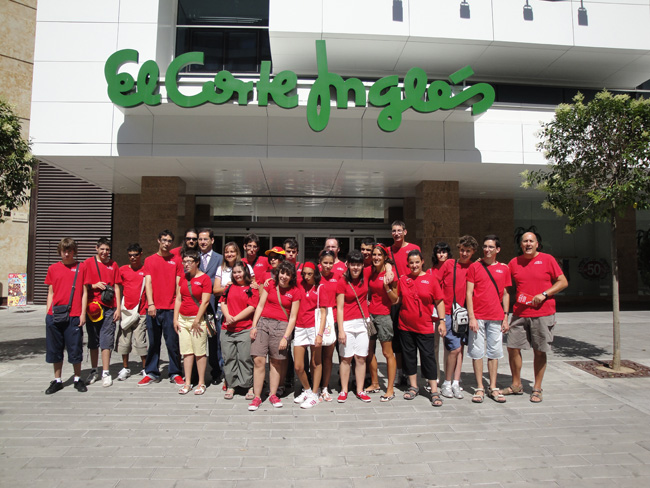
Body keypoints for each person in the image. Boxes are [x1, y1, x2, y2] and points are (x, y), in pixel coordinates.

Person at [505, 231, 568, 403]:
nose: (528, 244)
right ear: (520, 244)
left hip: (543, 313)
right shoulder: (514, 262)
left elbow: (563, 282)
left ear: (537, 244)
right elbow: (502, 279)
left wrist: (545, 294)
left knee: (539, 351)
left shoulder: (548, 259)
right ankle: (516, 384)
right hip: (520, 313)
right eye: (525, 241)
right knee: (512, 347)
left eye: (531, 241)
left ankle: (537, 388)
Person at [386, 249, 446, 407]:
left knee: (428, 358)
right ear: (408, 264)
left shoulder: (431, 279)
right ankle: (413, 386)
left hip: (425, 326)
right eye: (411, 263)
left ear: (422, 262)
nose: (414, 265)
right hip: (405, 326)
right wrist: (387, 288)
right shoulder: (403, 279)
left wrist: (442, 321)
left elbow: (439, 301)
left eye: (417, 262)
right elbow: (397, 299)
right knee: (409, 357)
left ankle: (434, 390)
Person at [248, 261, 302, 411]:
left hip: (282, 326)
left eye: (287, 274)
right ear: (278, 273)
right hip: (263, 323)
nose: (284, 276)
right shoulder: (270, 285)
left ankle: (273, 394)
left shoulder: (295, 291)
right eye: (282, 273)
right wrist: (254, 325)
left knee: (276, 362)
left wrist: (286, 337)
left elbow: (293, 317)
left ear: (292, 276)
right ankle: (257, 397)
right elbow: (260, 305)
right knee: (258, 359)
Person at [466, 235, 511, 404]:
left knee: (494, 352)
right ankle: (479, 387)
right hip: (478, 316)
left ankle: (493, 387)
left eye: (491, 247)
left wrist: (506, 317)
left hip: (496, 316)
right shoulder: (475, 267)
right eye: (485, 246)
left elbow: (506, 294)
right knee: (477, 352)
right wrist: (472, 317)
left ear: (497, 249)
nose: (487, 249)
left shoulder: (504, 269)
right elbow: (469, 293)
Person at [138, 230, 184, 386]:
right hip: (153, 309)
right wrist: (150, 303)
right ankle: (151, 372)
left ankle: (175, 372)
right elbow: (148, 283)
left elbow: (179, 286)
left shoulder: (177, 260)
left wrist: (177, 310)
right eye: (164, 240)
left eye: (170, 241)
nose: (167, 243)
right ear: (158, 240)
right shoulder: (150, 260)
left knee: (172, 343)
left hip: (171, 308)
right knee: (154, 342)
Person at [44, 238, 88, 394]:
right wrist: (48, 312)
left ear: (74, 251)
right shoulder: (53, 268)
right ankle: (57, 380)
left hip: (74, 315)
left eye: (70, 250)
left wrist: (83, 313)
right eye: (64, 251)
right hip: (55, 316)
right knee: (55, 349)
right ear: (60, 252)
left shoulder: (81, 268)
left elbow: (84, 292)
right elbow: (51, 291)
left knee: (75, 349)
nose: (67, 253)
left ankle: (77, 378)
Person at [438, 235, 478, 399]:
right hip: (449, 312)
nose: (464, 253)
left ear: (473, 252)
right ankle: (447, 382)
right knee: (454, 348)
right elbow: (437, 284)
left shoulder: (475, 267)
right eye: (462, 250)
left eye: (468, 251)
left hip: (466, 314)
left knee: (460, 348)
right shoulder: (449, 264)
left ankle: (455, 382)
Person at [83, 237, 122, 387]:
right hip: (92, 307)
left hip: (109, 307)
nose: (105, 252)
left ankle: (106, 372)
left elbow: (117, 287)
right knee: (93, 340)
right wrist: (93, 285)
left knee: (107, 339)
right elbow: (82, 285)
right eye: (102, 249)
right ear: (96, 248)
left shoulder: (113, 264)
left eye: (107, 250)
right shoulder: (88, 263)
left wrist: (118, 308)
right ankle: (94, 370)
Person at [174, 250, 212, 395]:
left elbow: (205, 301)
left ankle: (201, 382)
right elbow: (178, 298)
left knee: (199, 352)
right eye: (184, 261)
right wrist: (175, 318)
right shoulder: (183, 278)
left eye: (190, 261)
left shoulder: (205, 279)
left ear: (197, 262)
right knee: (187, 352)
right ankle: (188, 382)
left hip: (198, 320)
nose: (186, 264)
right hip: (183, 319)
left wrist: (197, 320)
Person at [336, 250, 371, 403]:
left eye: (358, 265)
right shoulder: (342, 281)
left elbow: (385, 262)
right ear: (347, 265)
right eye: (353, 265)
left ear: (363, 265)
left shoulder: (366, 276)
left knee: (361, 358)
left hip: (363, 322)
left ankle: (360, 390)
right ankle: (344, 390)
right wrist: (341, 330)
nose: (356, 268)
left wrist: (389, 269)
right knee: (346, 358)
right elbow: (340, 308)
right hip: (347, 323)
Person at [388, 220, 420, 385]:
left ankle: (410, 371)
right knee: (397, 339)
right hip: (395, 299)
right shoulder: (388, 251)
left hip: (410, 299)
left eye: (399, 230)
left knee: (410, 339)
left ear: (405, 232)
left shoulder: (414, 249)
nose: (396, 233)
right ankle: (400, 372)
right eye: (394, 231)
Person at [220, 262, 259, 400]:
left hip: (244, 328)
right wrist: (227, 316)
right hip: (227, 328)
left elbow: (252, 307)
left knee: (245, 358)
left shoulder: (252, 288)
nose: (237, 275)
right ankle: (231, 385)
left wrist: (235, 318)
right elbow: (222, 302)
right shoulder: (229, 287)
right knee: (229, 358)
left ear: (246, 272)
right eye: (235, 272)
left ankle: (248, 385)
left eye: (240, 272)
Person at [292, 262, 326, 409]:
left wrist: (320, 334)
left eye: (309, 274)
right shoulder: (299, 284)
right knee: (298, 366)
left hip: (314, 328)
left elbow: (324, 313)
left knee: (315, 363)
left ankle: (314, 393)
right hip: (299, 327)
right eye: (304, 273)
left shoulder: (320, 288)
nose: (306, 276)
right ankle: (307, 389)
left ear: (315, 274)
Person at [366, 244, 397, 401]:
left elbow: (395, 299)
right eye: (374, 255)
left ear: (385, 257)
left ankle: (390, 389)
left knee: (387, 353)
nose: (376, 257)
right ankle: (375, 383)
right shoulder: (372, 273)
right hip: (371, 317)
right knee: (369, 351)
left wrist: (387, 287)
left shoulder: (390, 275)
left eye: (379, 255)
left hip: (384, 318)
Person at [115, 243, 148, 381]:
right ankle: (125, 367)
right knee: (124, 341)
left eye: (135, 255)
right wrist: (118, 308)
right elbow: (117, 287)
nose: (133, 258)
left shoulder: (146, 270)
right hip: (126, 311)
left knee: (141, 341)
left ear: (141, 254)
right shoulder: (122, 270)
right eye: (130, 255)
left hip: (141, 311)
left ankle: (145, 369)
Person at [196, 228, 224, 386]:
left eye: (205, 239)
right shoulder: (194, 257)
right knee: (197, 340)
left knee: (214, 340)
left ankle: (216, 371)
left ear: (212, 240)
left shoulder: (220, 258)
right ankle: (195, 372)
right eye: (200, 239)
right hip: (195, 304)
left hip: (213, 305)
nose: (202, 242)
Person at [426, 241, 452, 388]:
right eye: (439, 251)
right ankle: (435, 376)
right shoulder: (431, 271)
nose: (441, 254)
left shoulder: (454, 268)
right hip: (435, 313)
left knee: (449, 346)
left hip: (451, 311)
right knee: (434, 346)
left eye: (444, 251)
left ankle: (450, 378)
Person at [317, 250, 339, 402]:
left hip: (332, 318)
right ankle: (315, 387)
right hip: (316, 317)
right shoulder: (314, 275)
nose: (328, 266)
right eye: (325, 262)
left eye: (331, 263)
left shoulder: (338, 277)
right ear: (320, 262)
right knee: (316, 356)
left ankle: (325, 387)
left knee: (328, 356)